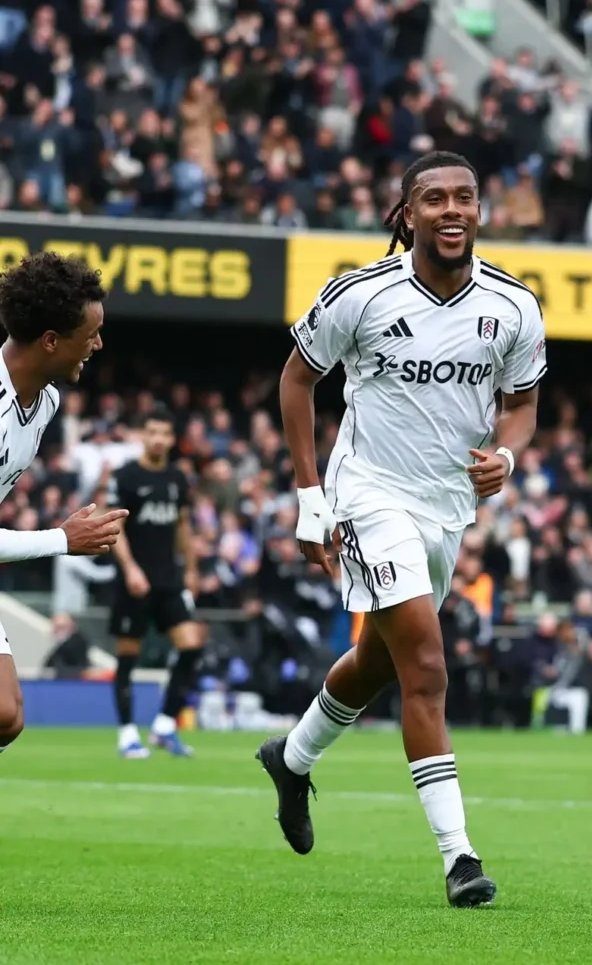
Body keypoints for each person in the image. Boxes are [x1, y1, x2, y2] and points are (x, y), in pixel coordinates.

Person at [256, 150, 546, 908]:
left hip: (446, 507)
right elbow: (295, 379)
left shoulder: (513, 305)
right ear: (407, 212)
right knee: (425, 666)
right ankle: (460, 859)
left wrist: (507, 454)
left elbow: (521, 400)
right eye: (434, 199)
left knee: (378, 663)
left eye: (465, 198)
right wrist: (310, 498)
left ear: (479, 211)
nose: (451, 210)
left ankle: (291, 757)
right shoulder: (361, 293)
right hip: (368, 494)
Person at [0, 252, 128, 752]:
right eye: (90, 333)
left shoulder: (46, 401)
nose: (97, 344)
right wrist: (61, 539)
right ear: (51, 340)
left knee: (7, 718)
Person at [105, 404, 205, 758]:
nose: (159, 440)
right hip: (135, 581)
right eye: (153, 433)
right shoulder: (126, 477)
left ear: (172, 439)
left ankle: (164, 726)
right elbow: (114, 526)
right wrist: (130, 568)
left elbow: (182, 525)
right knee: (128, 658)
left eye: (165, 434)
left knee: (193, 647)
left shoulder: (177, 478)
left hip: (168, 580)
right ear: (143, 436)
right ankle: (127, 734)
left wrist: (191, 569)